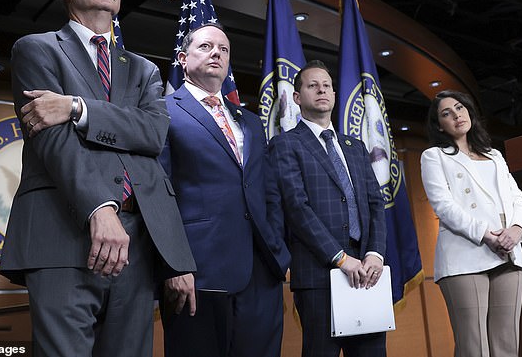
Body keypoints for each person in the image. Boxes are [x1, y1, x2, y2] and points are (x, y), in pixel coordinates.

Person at [0, 0, 195, 357]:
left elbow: (152, 133)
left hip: (138, 246)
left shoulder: (143, 70)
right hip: (61, 237)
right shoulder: (37, 49)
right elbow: (53, 142)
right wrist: (99, 209)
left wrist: (75, 106)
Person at [159, 23, 290, 357]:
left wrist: (277, 250)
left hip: (261, 271)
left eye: (223, 49)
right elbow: (158, 194)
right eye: (205, 47)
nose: (216, 52)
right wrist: (174, 265)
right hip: (198, 272)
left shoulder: (250, 121)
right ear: (182, 58)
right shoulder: (162, 111)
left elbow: (269, 191)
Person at [267, 60, 387, 357]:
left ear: (334, 94)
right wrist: (340, 258)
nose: (321, 90)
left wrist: (374, 253)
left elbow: (375, 203)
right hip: (320, 274)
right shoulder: (285, 144)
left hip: (367, 272)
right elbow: (296, 208)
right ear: (297, 97)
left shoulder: (355, 146)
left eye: (327, 85)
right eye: (312, 85)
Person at [420, 89, 522, 357]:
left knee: (507, 345)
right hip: (465, 254)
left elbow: (518, 198)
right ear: (439, 125)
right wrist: (486, 235)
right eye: (447, 113)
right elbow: (444, 206)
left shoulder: (494, 155)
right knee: (474, 347)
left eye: (460, 108)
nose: (456, 115)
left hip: (508, 251)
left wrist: (516, 230)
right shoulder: (434, 156)